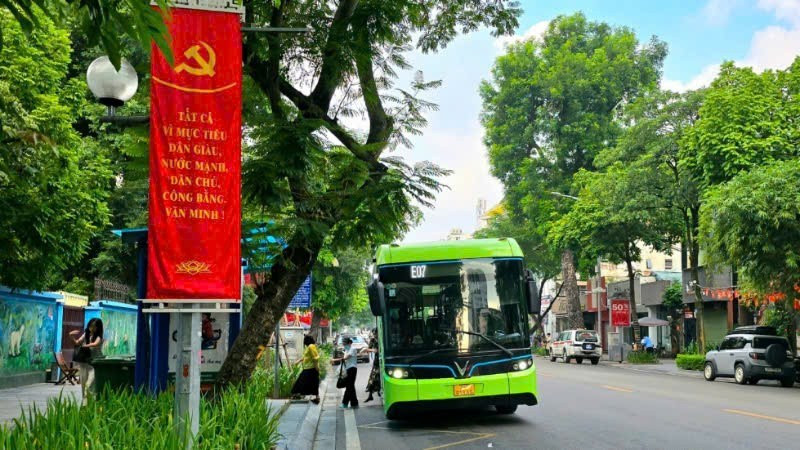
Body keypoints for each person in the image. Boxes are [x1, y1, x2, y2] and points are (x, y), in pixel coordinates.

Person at [69, 318, 104, 405]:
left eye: (94, 327)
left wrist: (86, 345)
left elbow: (95, 344)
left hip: (94, 365)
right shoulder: (86, 334)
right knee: (83, 386)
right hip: (84, 363)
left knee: (89, 386)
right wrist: (71, 336)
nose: (91, 328)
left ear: (98, 328)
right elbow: (77, 343)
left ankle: (92, 405)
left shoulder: (99, 337)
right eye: (90, 326)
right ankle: (85, 406)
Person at [330, 337, 359, 409]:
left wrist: (335, 359)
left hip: (352, 369)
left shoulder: (353, 349)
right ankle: (354, 403)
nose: (344, 345)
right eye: (343, 344)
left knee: (349, 386)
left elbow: (346, 358)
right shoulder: (346, 350)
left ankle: (345, 403)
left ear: (349, 343)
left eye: (345, 343)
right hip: (348, 369)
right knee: (351, 386)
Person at [291, 335, 321, 404]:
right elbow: (306, 357)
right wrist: (298, 361)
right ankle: (317, 398)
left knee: (301, 381)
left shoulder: (311, 346)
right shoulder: (309, 347)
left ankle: (296, 394)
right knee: (313, 383)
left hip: (311, 369)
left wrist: (317, 368)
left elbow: (315, 358)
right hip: (308, 368)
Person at [362, 329, 381, 403]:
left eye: (375, 333)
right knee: (373, 377)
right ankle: (370, 395)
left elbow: (377, 350)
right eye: (374, 333)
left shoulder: (382, 338)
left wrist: (373, 350)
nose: (375, 335)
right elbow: (369, 349)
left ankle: (379, 391)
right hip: (376, 361)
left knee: (378, 377)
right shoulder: (373, 340)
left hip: (382, 360)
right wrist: (369, 350)